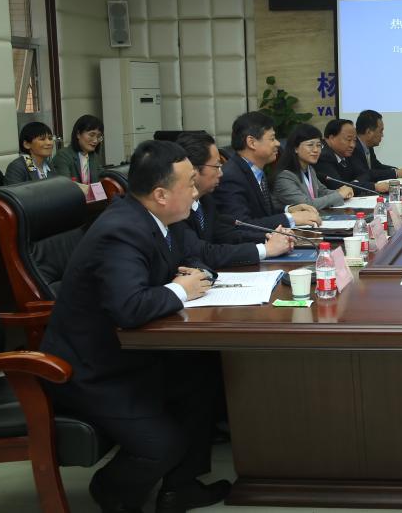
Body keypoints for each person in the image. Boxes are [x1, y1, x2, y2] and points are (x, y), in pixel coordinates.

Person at [41, 140, 231, 512]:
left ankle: (179, 490)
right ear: (161, 194)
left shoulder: (160, 218)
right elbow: (129, 307)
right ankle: (110, 490)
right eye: (189, 184)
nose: (196, 192)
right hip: (92, 369)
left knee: (204, 373)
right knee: (163, 444)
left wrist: (196, 275)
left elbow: (196, 257)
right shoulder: (121, 230)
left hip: (134, 352)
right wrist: (181, 289)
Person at [176, 131, 295, 265]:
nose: (221, 173)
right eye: (217, 166)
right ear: (193, 171)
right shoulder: (176, 210)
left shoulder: (206, 200)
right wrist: (266, 250)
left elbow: (227, 234)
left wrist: (270, 237)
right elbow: (204, 252)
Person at [212, 112, 321, 244]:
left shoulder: (256, 170)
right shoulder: (230, 177)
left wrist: (289, 209)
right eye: (272, 138)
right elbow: (242, 225)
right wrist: (291, 218)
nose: (277, 143)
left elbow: (263, 214)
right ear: (252, 142)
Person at [273, 123, 353, 210]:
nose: (316, 150)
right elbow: (306, 204)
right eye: (310, 145)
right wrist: (339, 195)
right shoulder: (284, 177)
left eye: (318, 145)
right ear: (295, 148)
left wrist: (342, 192)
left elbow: (322, 192)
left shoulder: (309, 169)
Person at [315, 118, 389, 196]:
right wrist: (374, 187)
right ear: (331, 138)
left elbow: (365, 174)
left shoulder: (344, 153)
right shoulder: (323, 156)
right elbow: (339, 186)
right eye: (349, 139)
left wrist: (354, 183)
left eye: (354, 140)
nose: (352, 145)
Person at [351, 109, 402, 183]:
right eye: (381, 131)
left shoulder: (368, 146)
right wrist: (396, 173)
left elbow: (377, 166)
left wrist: (397, 170)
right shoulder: (353, 148)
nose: (382, 135)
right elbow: (366, 174)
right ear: (369, 132)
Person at [52, 114, 104, 188]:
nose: (95, 140)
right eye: (91, 135)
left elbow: (102, 177)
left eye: (98, 136)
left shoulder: (94, 156)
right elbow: (66, 185)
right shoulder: (63, 156)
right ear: (78, 134)